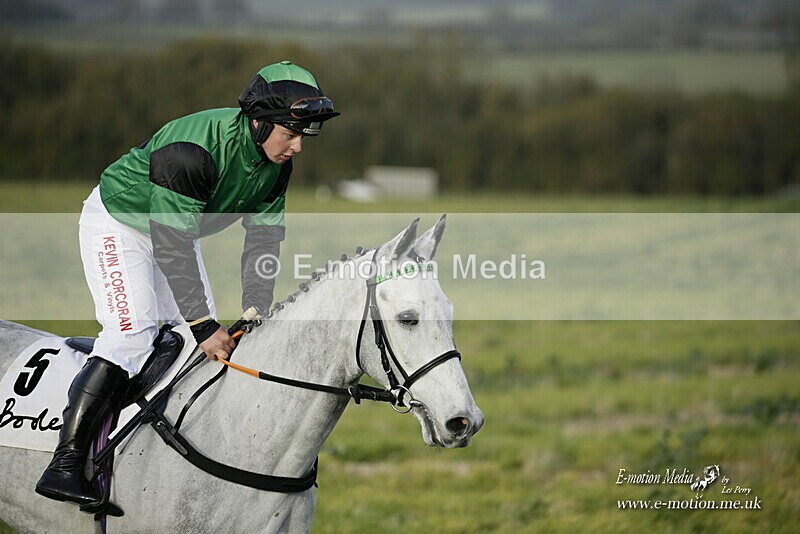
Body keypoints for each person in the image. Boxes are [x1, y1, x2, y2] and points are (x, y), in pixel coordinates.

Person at [35, 60, 339, 510]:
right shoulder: (192, 151)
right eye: (289, 134)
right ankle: (64, 463)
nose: (296, 147)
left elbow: (264, 236)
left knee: (193, 346)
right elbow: (172, 245)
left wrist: (256, 309)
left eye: (303, 136)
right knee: (132, 336)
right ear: (258, 122)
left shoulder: (277, 165)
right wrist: (203, 324)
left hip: (176, 229)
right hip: (121, 224)